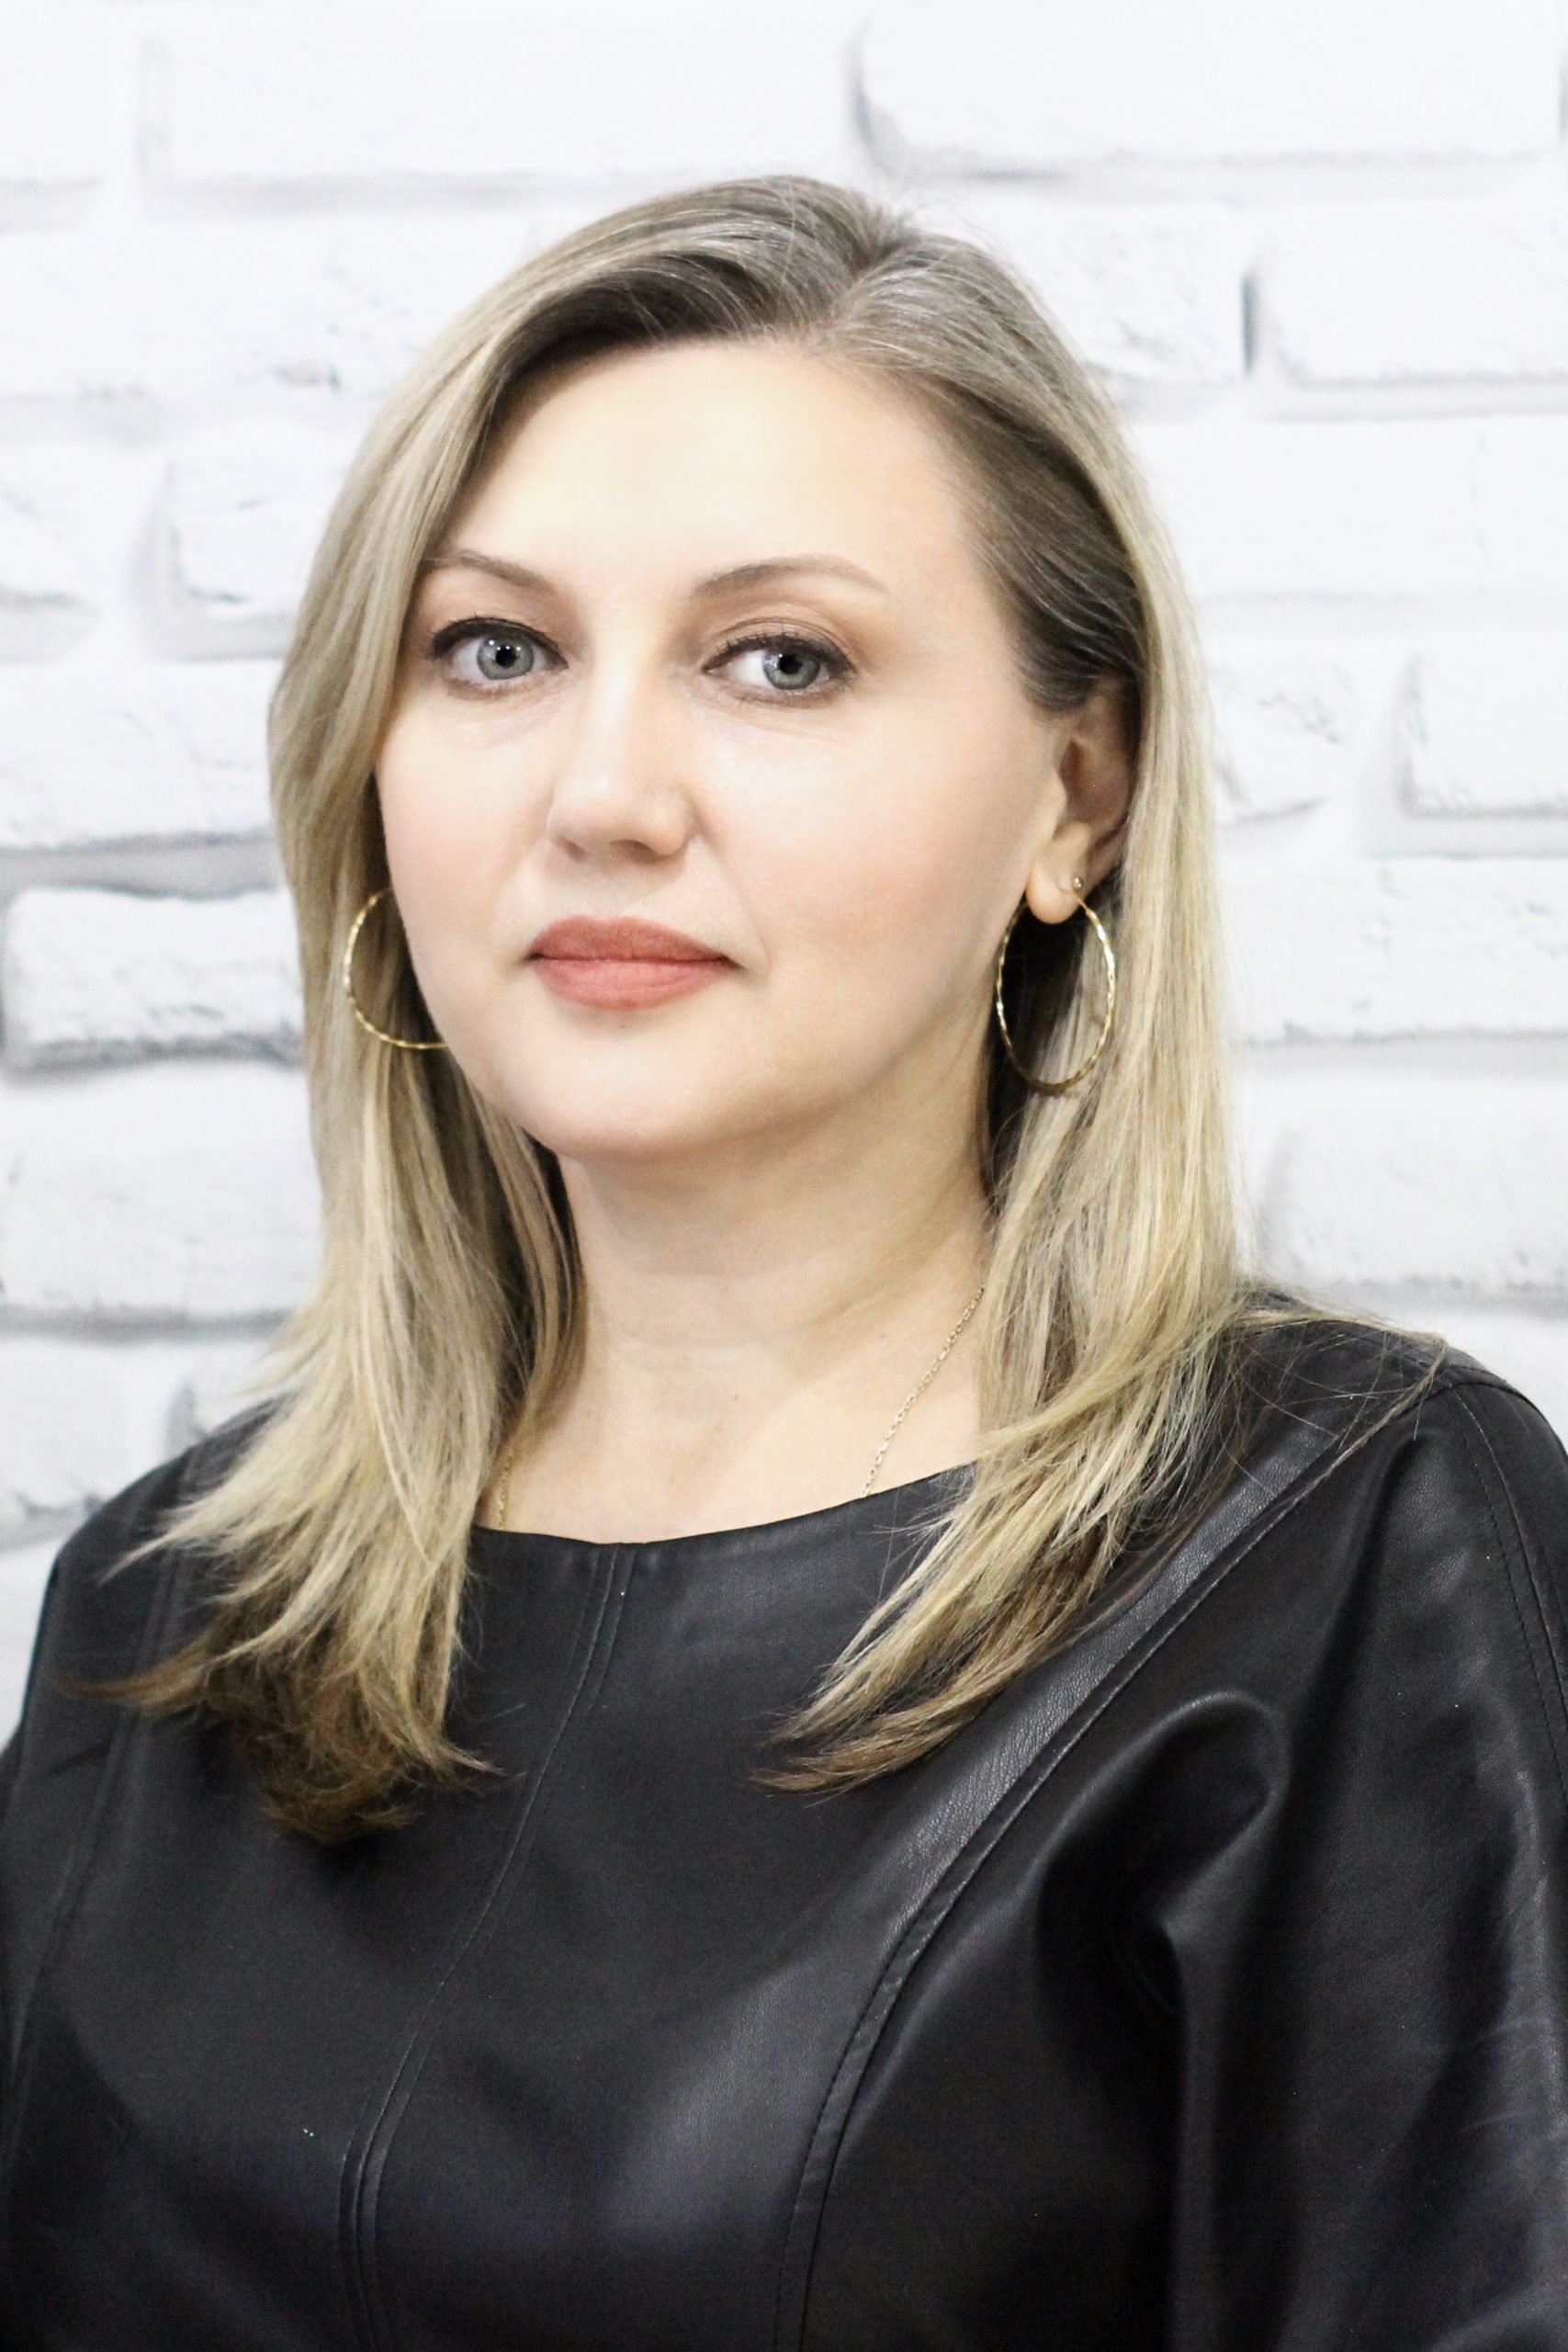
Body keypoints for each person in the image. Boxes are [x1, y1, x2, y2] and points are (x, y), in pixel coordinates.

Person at [0, 173, 1564, 2352]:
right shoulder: (167, 1603)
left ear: (1074, 794)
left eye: (780, 660)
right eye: (495, 651)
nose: (604, 792)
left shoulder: (1344, 1552)